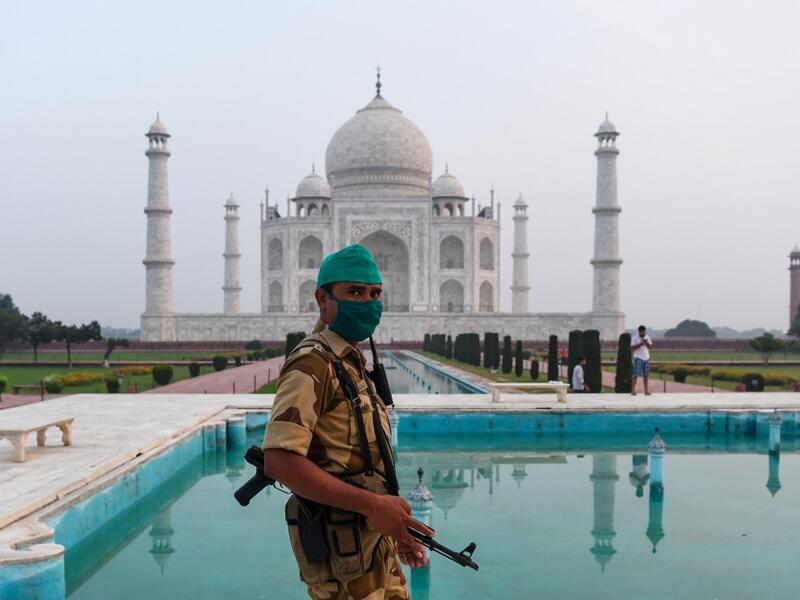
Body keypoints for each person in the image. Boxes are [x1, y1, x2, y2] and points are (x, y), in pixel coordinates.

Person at [261, 243, 432, 600]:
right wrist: (374, 507)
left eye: (375, 293)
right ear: (323, 299)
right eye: (354, 292)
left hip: (374, 547)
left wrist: (396, 528)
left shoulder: (351, 362)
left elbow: (363, 463)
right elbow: (279, 461)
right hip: (343, 561)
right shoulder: (313, 364)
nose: (368, 302)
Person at [631, 325, 654, 395]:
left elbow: (650, 347)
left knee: (646, 375)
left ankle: (646, 391)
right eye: (641, 332)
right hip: (638, 357)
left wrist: (646, 343)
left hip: (646, 358)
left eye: (643, 332)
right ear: (639, 332)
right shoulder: (635, 338)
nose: (642, 333)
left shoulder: (647, 337)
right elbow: (632, 348)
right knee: (635, 375)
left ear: (645, 331)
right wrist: (640, 344)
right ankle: (633, 390)